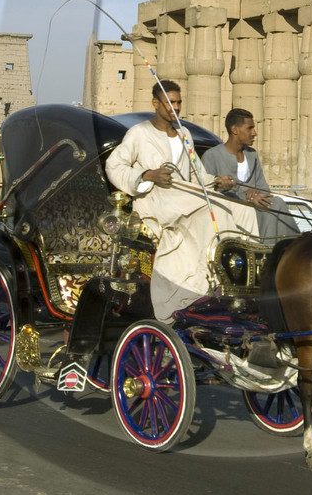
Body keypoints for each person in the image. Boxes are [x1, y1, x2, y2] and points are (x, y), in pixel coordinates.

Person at [106, 81, 259, 319]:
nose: (175, 108)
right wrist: (148, 175)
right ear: (156, 103)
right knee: (215, 213)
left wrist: (218, 182)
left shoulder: (184, 134)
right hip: (156, 200)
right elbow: (114, 166)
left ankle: (242, 277)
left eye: (178, 102)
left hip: (186, 195)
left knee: (242, 209)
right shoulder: (139, 134)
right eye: (170, 102)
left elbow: (196, 173)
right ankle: (206, 280)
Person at [201, 108, 298, 239]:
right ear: (235, 130)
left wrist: (255, 193)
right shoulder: (212, 156)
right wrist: (245, 197)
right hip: (230, 212)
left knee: (277, 203)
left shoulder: (252, 154)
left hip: (257, 207)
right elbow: (208, 192)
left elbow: (264, 189)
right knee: (266, 211)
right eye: (249, 128)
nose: (254, 133)